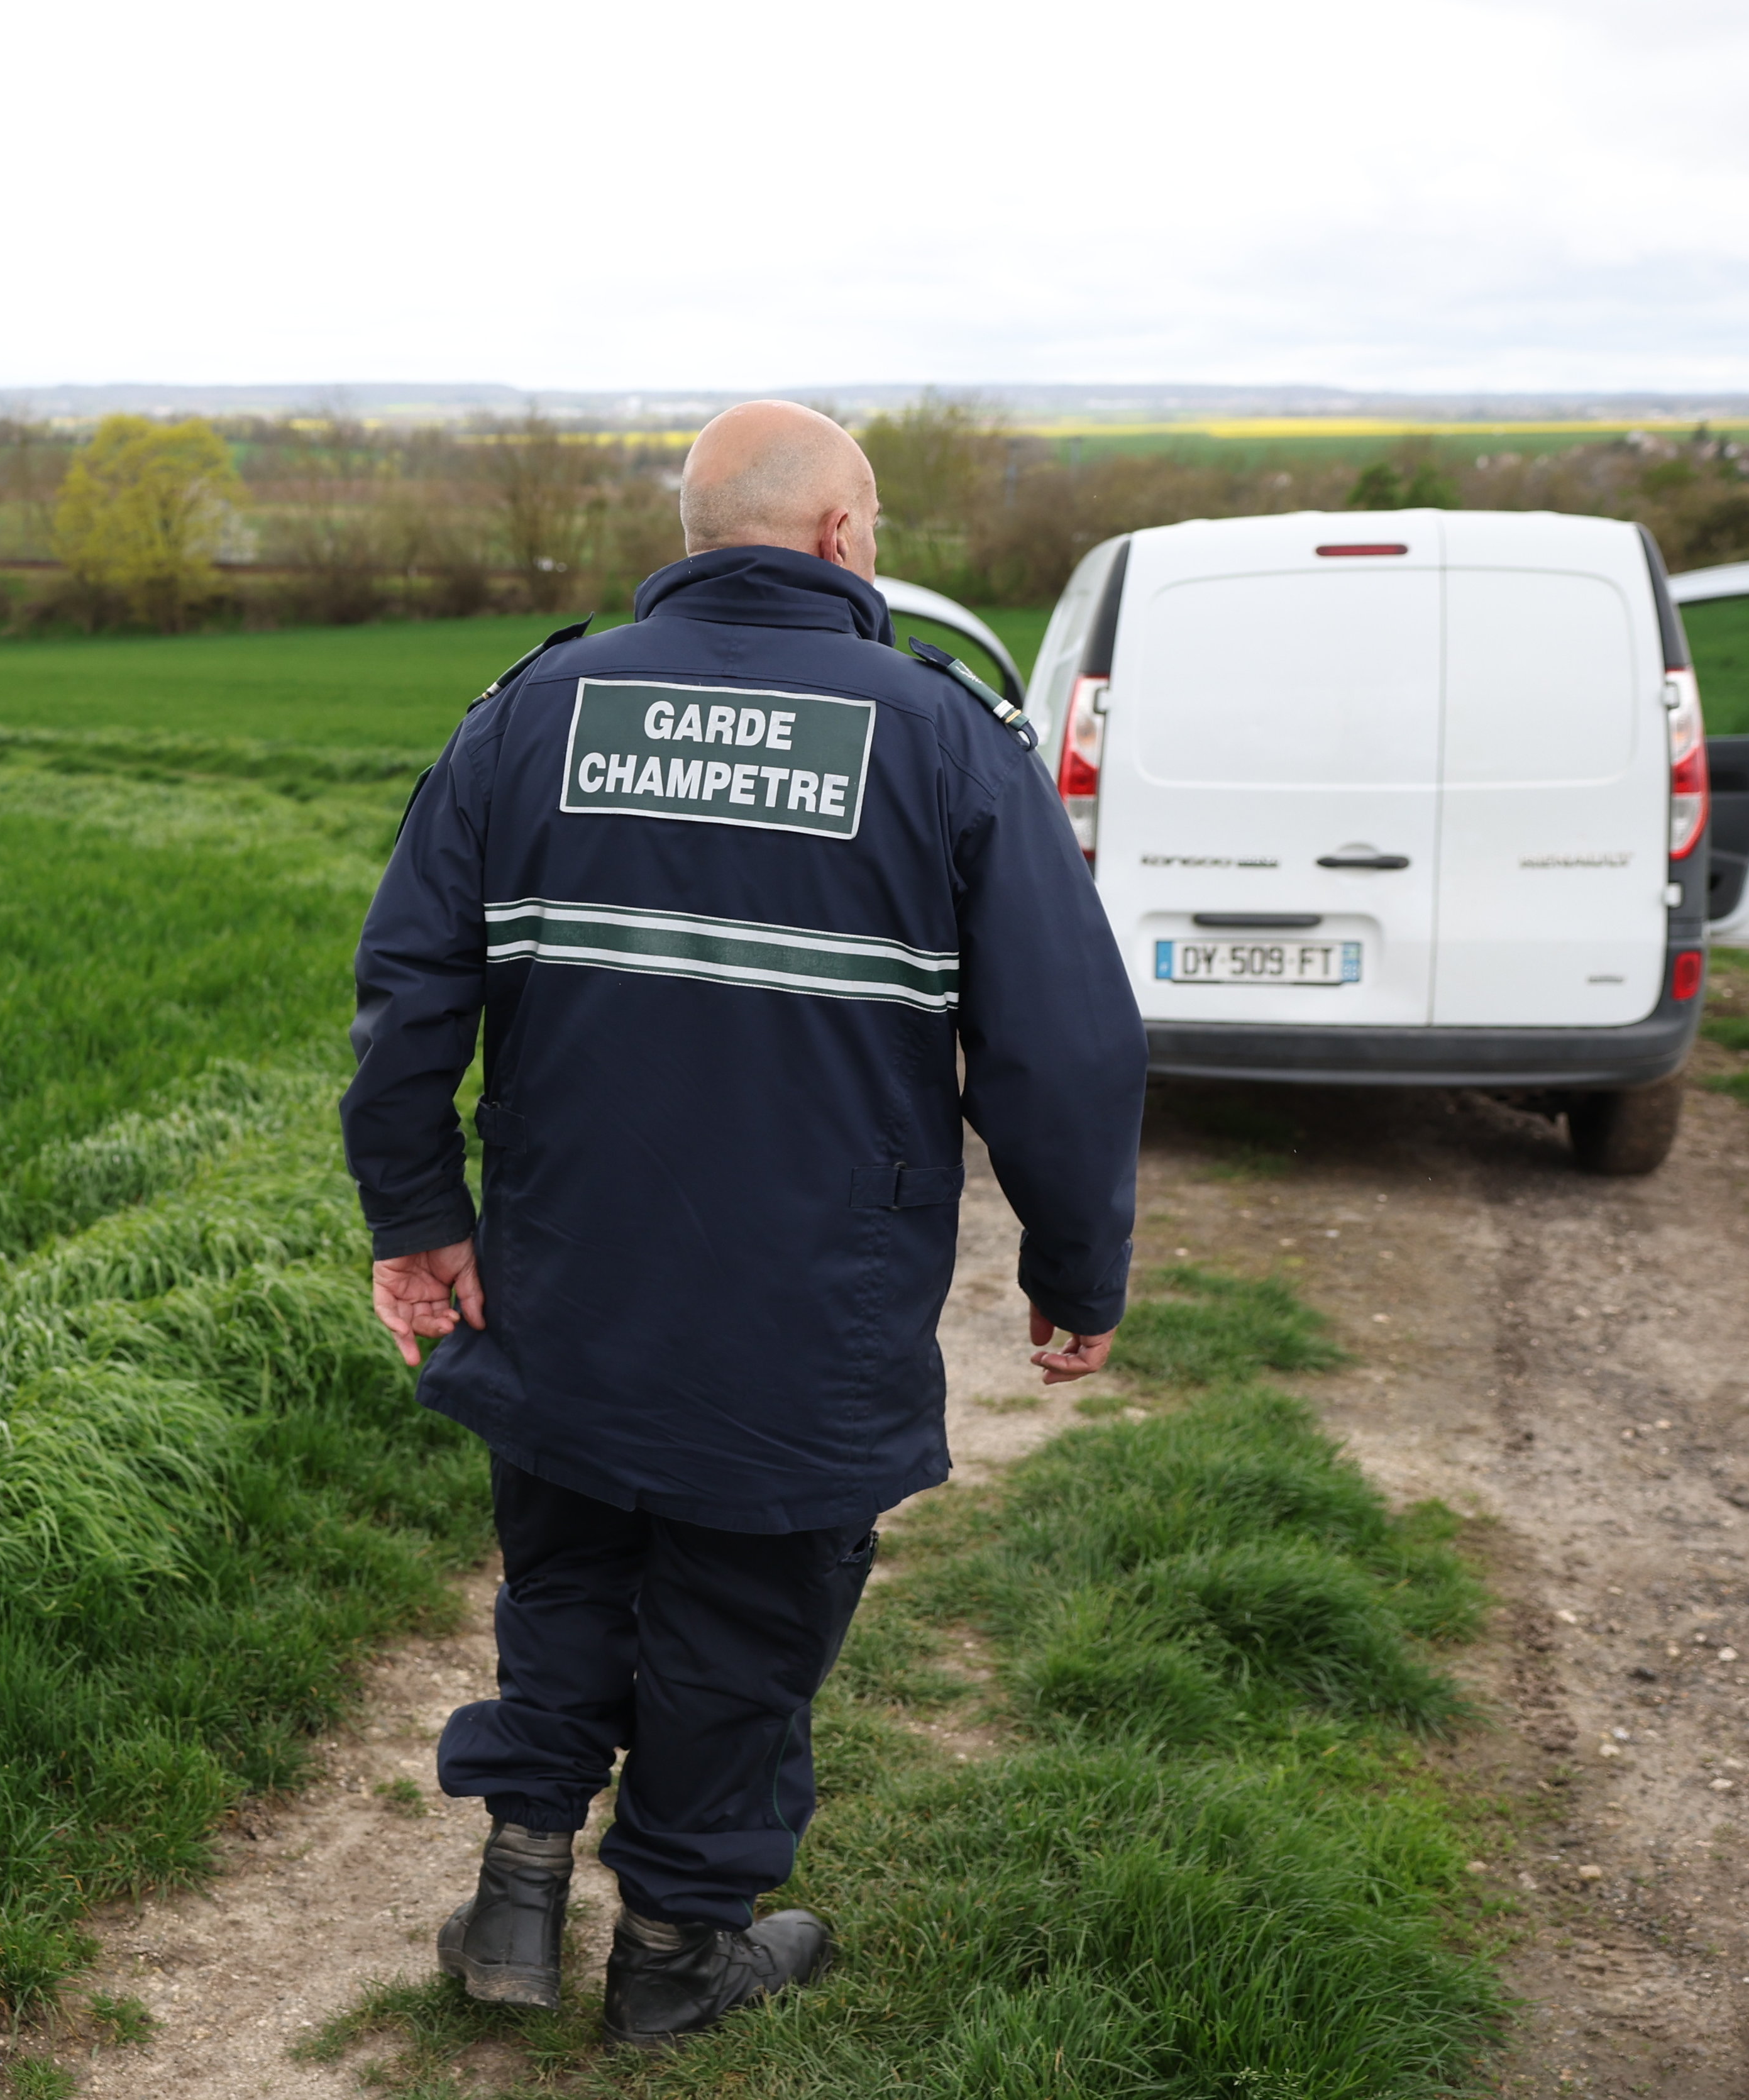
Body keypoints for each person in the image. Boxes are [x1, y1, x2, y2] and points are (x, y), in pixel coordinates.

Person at [338, 400, 1145, 2047]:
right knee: (744, 1612)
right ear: (844, 539)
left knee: (569, 1566)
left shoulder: (535, 711)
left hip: (566, 1276)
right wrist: (1076, 1267)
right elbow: (1066, 1048)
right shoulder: (942, 740)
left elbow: (407, 990)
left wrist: (419, 1209)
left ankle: (516, 1902)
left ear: (700, 536)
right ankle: (678, 1953)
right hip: (807, 1304)